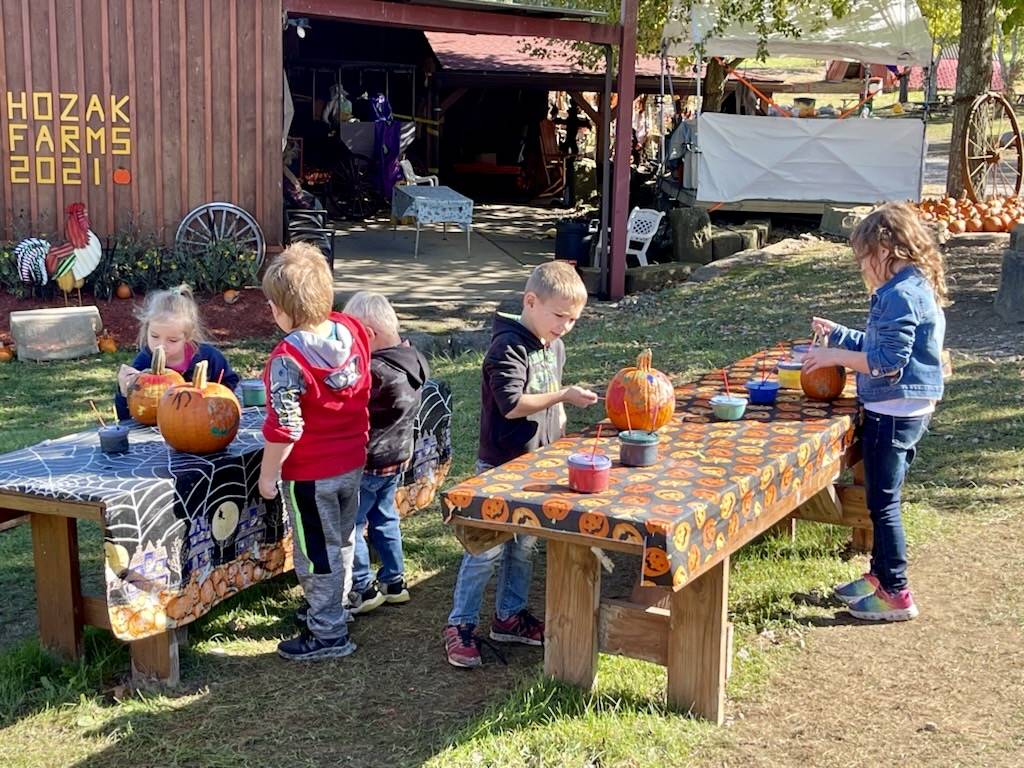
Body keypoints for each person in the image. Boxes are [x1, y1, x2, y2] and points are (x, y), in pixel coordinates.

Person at [444, 261, 599, 668]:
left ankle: (509, 616)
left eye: (573, 319)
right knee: (486, 551)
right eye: (559, 316)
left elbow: (551, 405)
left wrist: (560, 436)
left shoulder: (554, 345)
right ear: (531, 302)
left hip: (536, 466)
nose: (565, 326)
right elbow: (511, 405)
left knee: (524, 547)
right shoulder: (508, 347)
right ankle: (460, 625)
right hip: (500, 466)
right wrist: (563, 395)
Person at [802, 202, 947, 622]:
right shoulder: (911, 286)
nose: (861, 267)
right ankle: (879, 576)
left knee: (883, 503)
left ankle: (897, 592)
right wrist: (842, 335)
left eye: (863, 258)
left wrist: (836, 355)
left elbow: (887, 361)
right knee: (880, 496)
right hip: (903, 407)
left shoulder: (900, 294)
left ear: (885, 250)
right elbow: (880, 341)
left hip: (894, 410)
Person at [258, 243, 371, 660]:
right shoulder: (352, 331)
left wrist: (269, 474)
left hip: (310, 475)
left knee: (315, 553)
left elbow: (285, 427)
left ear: (279, 311)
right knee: (341, 539)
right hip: (352, 461)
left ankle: (328, 634)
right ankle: (336, 608)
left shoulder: (287, 358)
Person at [342, 291, 430, 614]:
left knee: (353, 522)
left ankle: (362, 586)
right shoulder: (414, 359)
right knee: (385, 517)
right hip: (397, 457)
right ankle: (394, 581)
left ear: (367, 335)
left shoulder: (375, 372)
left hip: (369, 461)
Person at [115, 284, 239, 421]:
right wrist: (124, 392)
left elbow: (231, 381)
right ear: (147, 329)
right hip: (158, 431)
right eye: (155, 336)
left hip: (203, 423)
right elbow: (126, 418)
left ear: (188, 336)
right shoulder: (144, 362)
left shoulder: (209, 357)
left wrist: (214, 397)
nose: (161, 346)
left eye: (172, 340)